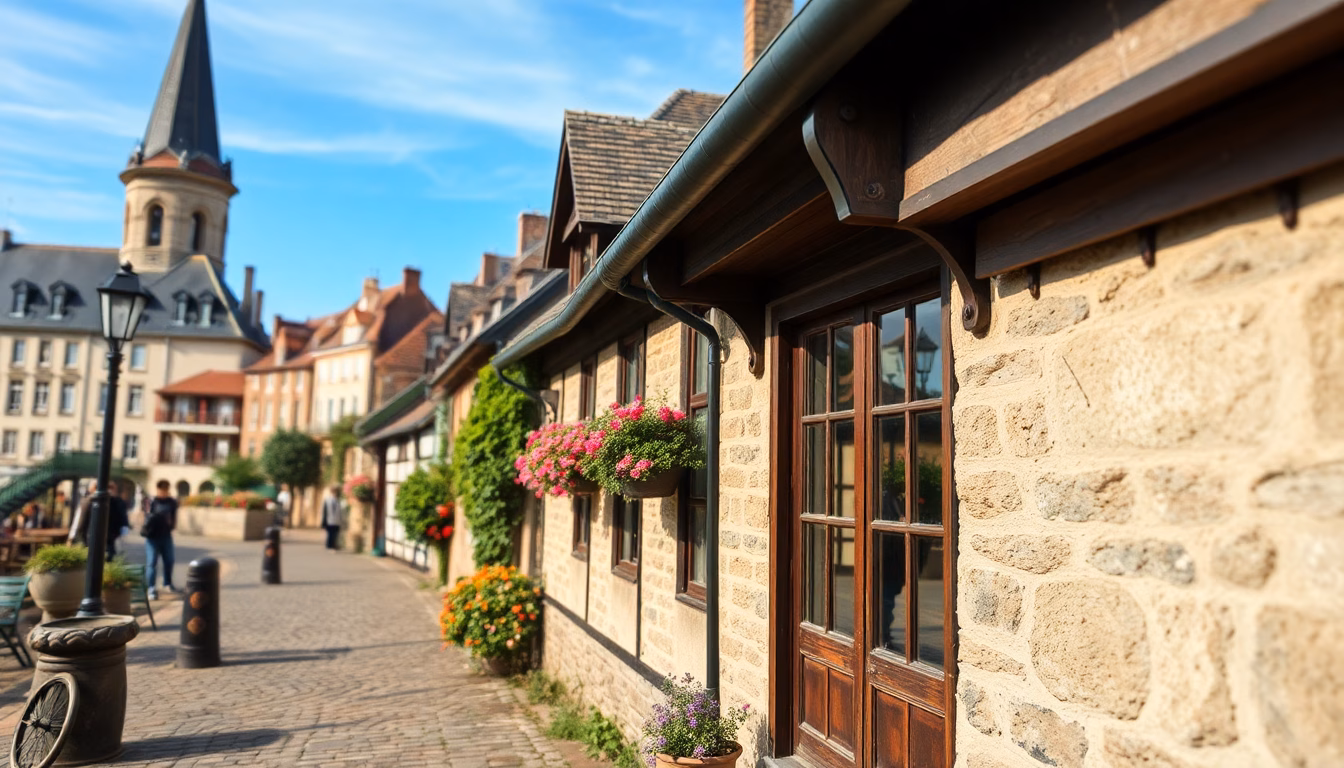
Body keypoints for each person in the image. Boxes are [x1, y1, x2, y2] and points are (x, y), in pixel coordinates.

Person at [73, 480, 130, 559]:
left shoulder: (88, 501)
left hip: (93, 538)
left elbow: (81, 524)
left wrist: (79, 537)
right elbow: (123, 520)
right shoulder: (116, 501)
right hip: (106, 538)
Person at [142, 479, 179, 600]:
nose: (164, 491)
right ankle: (151, 588)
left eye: (166, 489)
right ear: (157, 489)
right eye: (161, 489)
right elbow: (145, 516)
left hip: (166, 535)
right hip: (152, 537)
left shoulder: (171, 502)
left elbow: (174, 516)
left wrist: (172, 525)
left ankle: (167, 583)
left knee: (169, 560)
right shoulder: (151, 501)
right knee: (152, 562)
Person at [321, 485, 343, 550]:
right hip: (329, 520)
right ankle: (330, 545)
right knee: (330, 533)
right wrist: (324, 521)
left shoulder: (338, 501)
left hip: (337, 520)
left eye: (336, 492)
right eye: (334, 491)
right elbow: (325, 511)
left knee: (335, 533)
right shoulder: (327, 500)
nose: (335, 493)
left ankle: (333, 545)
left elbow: (339, 511)